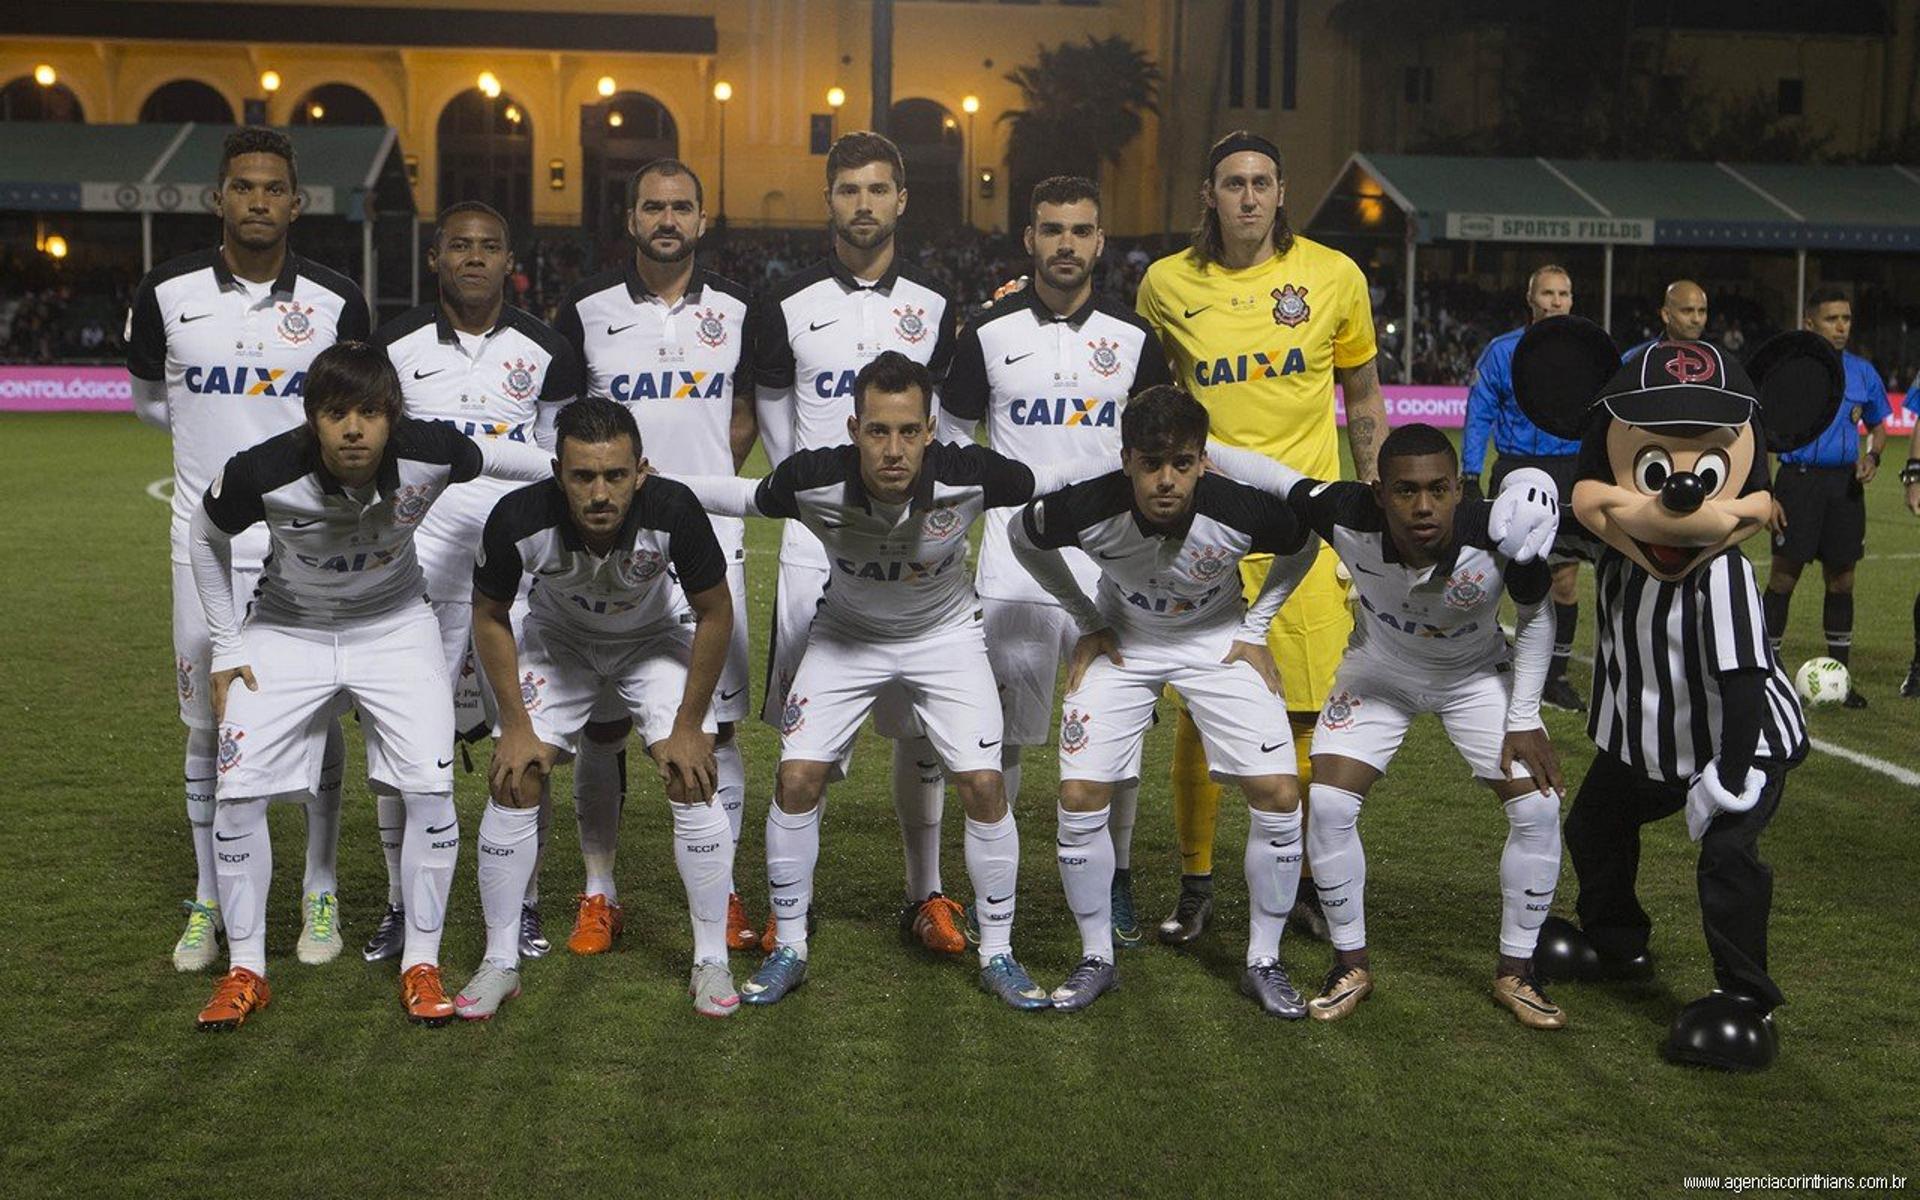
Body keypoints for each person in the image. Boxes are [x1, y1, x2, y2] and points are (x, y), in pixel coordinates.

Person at [671, 352, 1105, 1010]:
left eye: (908, 432)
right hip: (847, 638)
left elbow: (1057, 475)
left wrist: (1140, 460)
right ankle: (790, 945)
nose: (894, 449)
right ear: (853, 429)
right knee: (795, 779)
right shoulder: (813, 478)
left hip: (947, 639)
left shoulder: (969, 473)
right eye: (878, 431)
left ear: (931, 431)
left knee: (984, 785)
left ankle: (998, 953)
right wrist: (650, 486)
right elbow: (737, 496)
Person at [187, 342, 552, 1030]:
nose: (353, 428)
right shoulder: (259, 472)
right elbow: (202, 535)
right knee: (236, 797)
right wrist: (228, 644)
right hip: (285, 630)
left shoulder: (430, 450)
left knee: (430, 790)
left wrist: (567, 469)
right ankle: (246, 971)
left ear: (393, 417)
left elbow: (500, 455)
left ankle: (421, 962)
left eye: (369, 412)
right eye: (335, 413)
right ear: (311, 420)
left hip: (394, 628)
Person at [1204, 428, 1569, 1029]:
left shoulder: (1501, 535)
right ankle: (1350, 963)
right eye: (1404, 491)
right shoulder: (1343, 511)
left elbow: (1535, 618)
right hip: (1380, 668)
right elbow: (1271, 472)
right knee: (1325, 804)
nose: (1423, 506)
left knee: (1537, 810)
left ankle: (1517, 972)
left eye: (1437, 490)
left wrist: (1525, 716)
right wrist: (1203, 444)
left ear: (1458, 489)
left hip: (1476, 674)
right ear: (1377, 493)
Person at [1131, 130, 1388, 945]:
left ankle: (1308, 882)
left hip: (1304, 534)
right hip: (1204, 532)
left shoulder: (1332, 277)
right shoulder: (1167, 285)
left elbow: (1365, 395)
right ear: (1209, 195)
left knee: (1310, 712)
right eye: (1233, 183)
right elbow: (1148, 408)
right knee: (1202, 714)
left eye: (1262, 182)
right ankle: (1197, 883)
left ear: (1283, 194)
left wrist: (1371, 493)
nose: (1248, 196)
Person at [127, 127, 369, 972]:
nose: (258, 201)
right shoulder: (165, 291)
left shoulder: (338, 301)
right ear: (218, 198)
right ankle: (207, 896)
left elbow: (356, 416)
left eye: (274, 188)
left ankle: (320, 886)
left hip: (304, 552)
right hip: (202, 551)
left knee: (318, 715)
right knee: (206, 727)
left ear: (296, 203)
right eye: (243, 187)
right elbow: (151, 401)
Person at [1010, 387, 1319, 1014]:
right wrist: (1086, 618)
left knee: (1280, 795)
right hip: (1124, 641)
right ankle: (1097, 956)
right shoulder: (1086, 504)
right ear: (1126, 460)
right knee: (1078, 796)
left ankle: (1264, 960)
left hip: (1217, 643)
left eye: (1182, 463)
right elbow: (1022, 536)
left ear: (1204, 460)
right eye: (1151, 464)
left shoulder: (1238, 506)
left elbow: (1305, 542)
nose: (1167, 480)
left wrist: (1256, 629)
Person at [937, 175, 1172, 948]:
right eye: (1052, 230)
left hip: (1117, 571)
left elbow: (1160, 451)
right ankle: (992, 885)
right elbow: (949, 439)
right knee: (1000, 739)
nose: (1066, 244)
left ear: (1101, 242)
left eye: (1081, 230)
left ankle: (1119, 877)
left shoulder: (1137, 339)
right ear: (1029, 240)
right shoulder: (988, 332)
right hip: (1014, 572)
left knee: (1118, 740)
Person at [746, 132, 965, 955]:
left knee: (920, 731)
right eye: (848, 190)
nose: (863, 204)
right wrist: (814, 499)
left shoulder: (939, 307)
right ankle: (788, 907)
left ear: (901, 200)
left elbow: (953, 423)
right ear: (828, 200)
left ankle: (927, 894)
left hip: (913, 552)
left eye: (879, 189)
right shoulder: (787, 302)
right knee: (810, 741)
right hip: (820, 552)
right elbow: (773, 406)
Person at [457, 398, 737, 1019]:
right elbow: (489, 615)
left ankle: (710, 959)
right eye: (583, 476)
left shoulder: (674, 510)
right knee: (515, 776)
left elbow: (716, 612)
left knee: (691, 773)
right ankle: (500, 962)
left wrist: (689, 727)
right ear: (558, 472)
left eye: (615, 475)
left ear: (642, 471)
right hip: (562, 642)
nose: (600, 493)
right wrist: (516, 727)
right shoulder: (518, 517)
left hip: (653, 640)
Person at [366, 200, 580, 963]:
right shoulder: (391, 344)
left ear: (508, 258)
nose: (475, 258)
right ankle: (399, 905)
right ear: (436, 258)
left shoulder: (547, 348)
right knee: (403, 742)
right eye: (460, 246)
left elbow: (557, 462)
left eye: (490, 246)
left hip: (515, 574)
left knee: (528, 734)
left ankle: (521, 902)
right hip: (413, 570)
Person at [556, 159, 760, 957]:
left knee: (720, 727)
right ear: (632, 218)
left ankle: (729, 893)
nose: (666, 219)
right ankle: (599, 892)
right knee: (603, 726)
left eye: (681, 207)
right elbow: (563, 421)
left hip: (708, 538)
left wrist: (699, 486)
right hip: (605, 542)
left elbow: (747, 412)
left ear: (703, 219)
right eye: (652, 207)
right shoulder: (587, 310)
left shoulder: (744, 310)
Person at [1461, 264, 1588, 713]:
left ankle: (1555, 675)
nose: (1556, 301)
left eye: (1564, 293)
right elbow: (1479, 411)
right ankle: (1481, 659)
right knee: (1495, 571)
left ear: (1572, 300)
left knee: (1565, 577)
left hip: (1570, 469)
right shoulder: (1502, 351)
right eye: (1548, 293)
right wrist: (1470, 473)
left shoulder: (1585, 352)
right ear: (1531, 300)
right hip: (1515, 467)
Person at [1761, 287, 1889, 707]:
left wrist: (1873, 456)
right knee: (1784, 576)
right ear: (1809, 322)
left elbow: (1878, 425)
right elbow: (1763, 433)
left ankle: (1842, 676)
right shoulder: (1791, 370)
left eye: (1847, 319)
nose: (1841, 327)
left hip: (1843, 487)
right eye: (1832, 319)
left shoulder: (1862, 372)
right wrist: (1765, 489)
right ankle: (1765, 673)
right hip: (1797, 483)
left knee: (1843, 579)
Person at [1622, 280, 1709, 359]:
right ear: (1666, 315)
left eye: (1702, 311)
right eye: (1687, 311)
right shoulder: (1637, 359)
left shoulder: (1718, 360)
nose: (1696, 319)